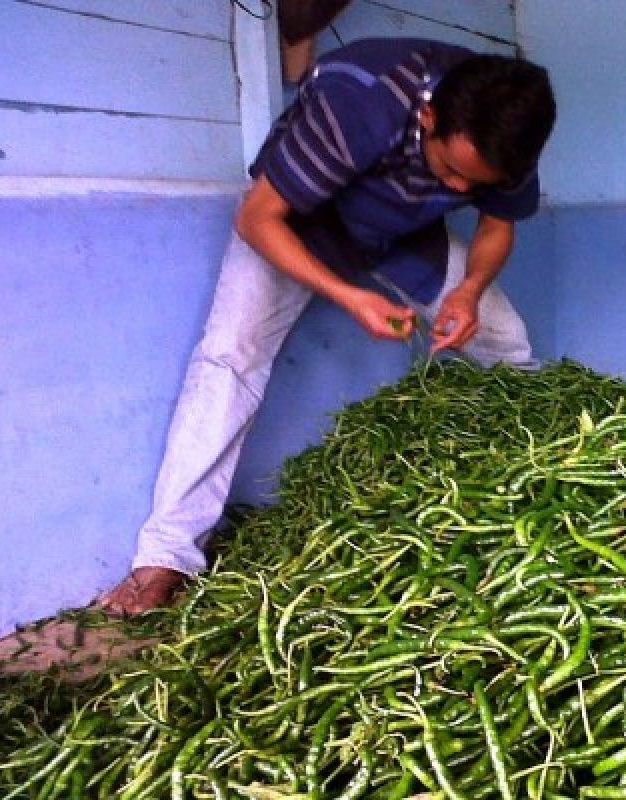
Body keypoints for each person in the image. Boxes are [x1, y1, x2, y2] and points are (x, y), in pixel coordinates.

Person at [97, 37, 556, 614]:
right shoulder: (358, 99)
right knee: (230, 358)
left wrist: (469, 289)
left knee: (504, 340)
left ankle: (547, 479)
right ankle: (163, 558)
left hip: (400, 231)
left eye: (477, 182)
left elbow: (497, 225)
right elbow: (257, 218)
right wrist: (348, 295)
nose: (461, 190)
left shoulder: (509, 128)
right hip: (297, 220)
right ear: (428, 115)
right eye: (451, 171)